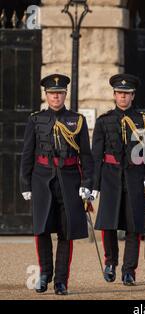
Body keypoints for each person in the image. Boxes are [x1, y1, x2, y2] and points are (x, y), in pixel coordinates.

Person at [19, 74, 94, 295]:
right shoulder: (35, 119)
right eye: (52, 93)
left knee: (66, 231)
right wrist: (25, 183)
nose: (56, 97)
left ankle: (61, 280)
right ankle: (44, 275)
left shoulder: (77, 120)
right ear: (46, 95)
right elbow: (27, 153)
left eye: (60, 93)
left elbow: (86, 156)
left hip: (69, 178)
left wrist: (87, 182)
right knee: (41, 229)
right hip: (41, 179)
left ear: (65, 94)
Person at [92, 73, 145, 286]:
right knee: (108, 224)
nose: (123, 97)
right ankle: (110, 262)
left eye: (127, 94)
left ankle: (129, 270)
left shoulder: (144, 120)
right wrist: (94, 184)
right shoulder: (104, 120)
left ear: (133, 95)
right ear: (114, 95)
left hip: (135, 177)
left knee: (133, 226)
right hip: (110, 176)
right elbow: (96, 155)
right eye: (119, 93)